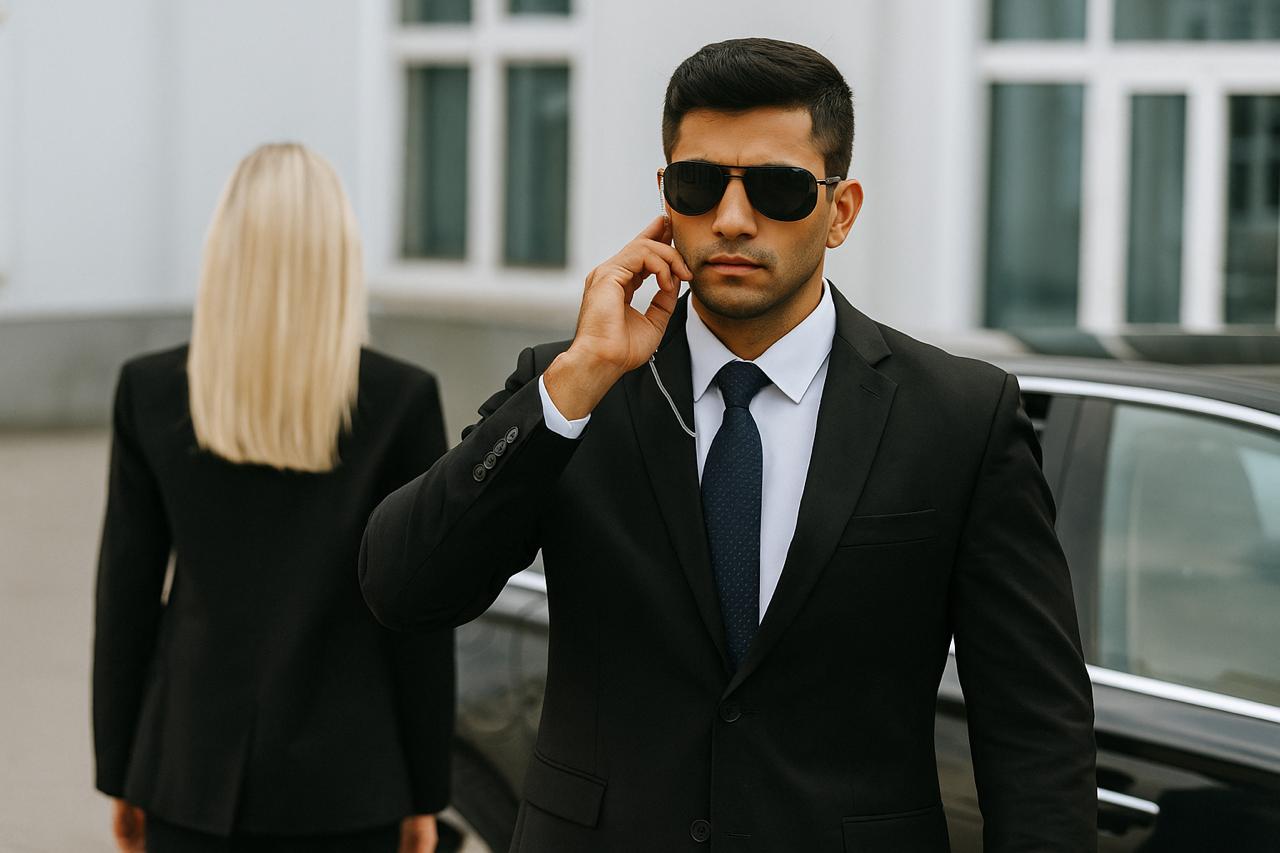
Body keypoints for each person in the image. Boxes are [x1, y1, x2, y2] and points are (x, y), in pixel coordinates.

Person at [360, 38, 1096, 853]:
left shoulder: (959, 415)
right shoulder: (576, 387)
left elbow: (1034, 732)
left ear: (841, 209)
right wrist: (576, 382)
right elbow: (403, 586)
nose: (733, 219)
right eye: (700, 184)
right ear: (666, 197)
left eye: (778, 188)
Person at [92, 143, 455, 853]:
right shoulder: (401, 400)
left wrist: (120, 769)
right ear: (339, 257)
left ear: (223, 254)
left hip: (187, 772)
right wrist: (426, 789)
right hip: (354, 781)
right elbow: (416, 613)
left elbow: (126, 598)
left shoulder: (152, 390)